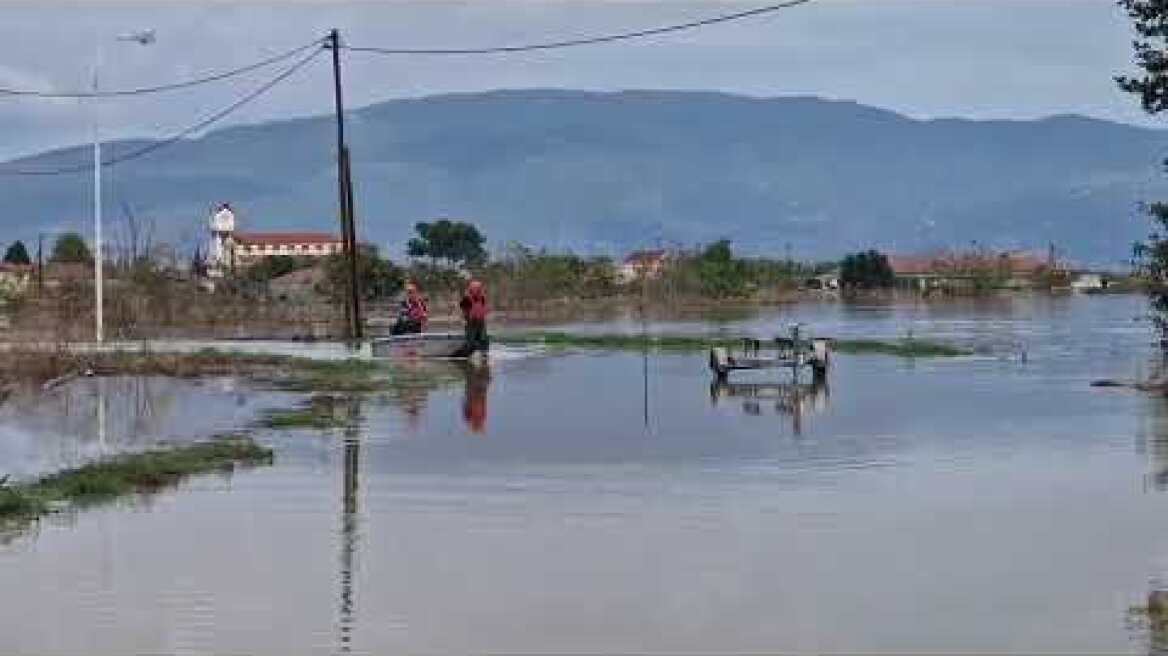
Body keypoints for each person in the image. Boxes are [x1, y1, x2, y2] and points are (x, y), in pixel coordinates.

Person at [458, 279, 490, 355]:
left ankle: (484, 355)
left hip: (480, 321)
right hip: (471, 322)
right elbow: (463, 308)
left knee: (484, 339)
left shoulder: (482, 298)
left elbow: (484, 308)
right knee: (471, 340)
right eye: (476, 288)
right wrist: (464, 318)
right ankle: (466, 353)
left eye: (479, 288)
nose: (478, 290)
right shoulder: (467, 298)